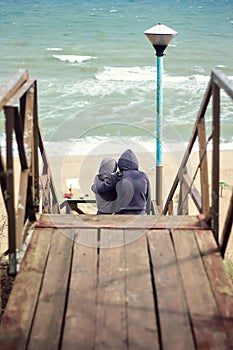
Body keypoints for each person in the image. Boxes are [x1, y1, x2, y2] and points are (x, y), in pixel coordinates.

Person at [116, 149, 151, 215]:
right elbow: (148, 198)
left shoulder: (118, 176)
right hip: (140, 214)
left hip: (121, 215)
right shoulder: (143, 176)